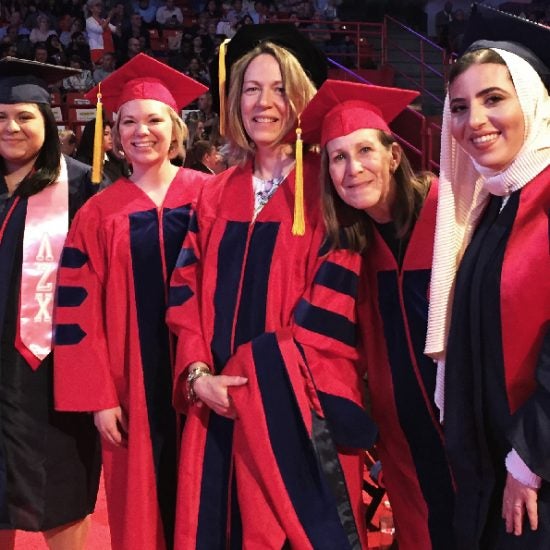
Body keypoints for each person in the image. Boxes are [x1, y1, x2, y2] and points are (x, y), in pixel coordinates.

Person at [167, 23, 376, 549]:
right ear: (235, 100)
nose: (265, 102)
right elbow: (185, 294)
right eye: (252, 88)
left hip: (295, 413)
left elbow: (332, 315)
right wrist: (197, 376)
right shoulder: (215, 194)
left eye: (280, 88)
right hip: (215, 407)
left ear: (302, 99)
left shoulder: (329, 188)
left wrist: (255, 384)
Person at [53, 53, 210, 550]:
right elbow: (77, 312)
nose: (142, 132)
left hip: (203, 372)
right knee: (141, 503)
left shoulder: (210, 196)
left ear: (175, 128)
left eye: (154, 120)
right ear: (114, 134)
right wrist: (98, 396)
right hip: (129, 382)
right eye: (128, 122)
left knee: (208, 491)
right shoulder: (97, 213)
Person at [299, 78, 456, 550]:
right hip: (401, 440)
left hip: (468, 432)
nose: (352, 169)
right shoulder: (350, 248)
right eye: (338, 157)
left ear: (393, 154)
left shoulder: (452, 214)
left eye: (365, 150)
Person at [425, 39, 550, 549]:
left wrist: (529, 458)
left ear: (534, 102)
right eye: (459, 106)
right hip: (497, 466)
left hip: (536, 472)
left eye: (494, 98)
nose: (474, 120)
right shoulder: (491, 205)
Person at [0, 57, 100, 550]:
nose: (10, 127)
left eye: (24, 115)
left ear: (48, 121)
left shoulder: (82, 187)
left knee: (61, 493)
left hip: (54, 375)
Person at [75, 112, 130, 187]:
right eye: (106, 134)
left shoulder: (119, 160)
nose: (111, 138)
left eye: (111, 134)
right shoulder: (81, 164)